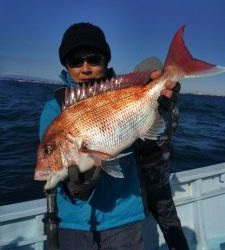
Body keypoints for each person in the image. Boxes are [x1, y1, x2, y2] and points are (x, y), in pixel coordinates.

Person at [39, 22, 188, 250]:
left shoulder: (124, 92)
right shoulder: (54, 108)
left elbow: (158, 140)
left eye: (94, 59)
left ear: (106, 61)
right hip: (73, 220)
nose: (85, 68)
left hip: (124, 215)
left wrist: (164, 110)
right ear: (66, 66)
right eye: (75, 61)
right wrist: (76, 186)